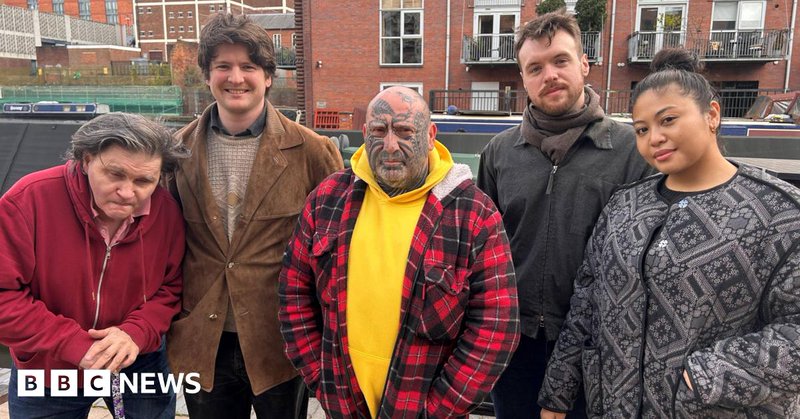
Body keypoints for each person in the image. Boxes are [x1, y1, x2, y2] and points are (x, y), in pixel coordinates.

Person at [539, 48, 800, 418]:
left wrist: (704, 377)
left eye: (668, 120)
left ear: (711, 115)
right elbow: (586, 304)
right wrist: (558, 392)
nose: (654, 138)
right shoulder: (624, 207)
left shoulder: (779, 213)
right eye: (642, 129)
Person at [279, 86, 520, 418]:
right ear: (365, 134)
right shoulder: (326, 200)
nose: (390, 145)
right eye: (379, 131)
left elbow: (496, 328)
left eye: (405, 131)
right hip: (342, 407)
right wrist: (322, 381)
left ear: (431, 135)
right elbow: (293, 295)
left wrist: (436, 410)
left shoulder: (474, 215)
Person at [166, 12, 343, 419]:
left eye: (248, 66)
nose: (236, 77)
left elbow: (336, 252)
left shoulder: (313, 152)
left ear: (268, 76)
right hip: (201, 342)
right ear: (207, 75)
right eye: (223, 66)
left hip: (280, 341)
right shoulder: (175, 151)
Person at [477, 10, 652, 418]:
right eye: (534, 67)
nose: (549, 75)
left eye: (560, 60)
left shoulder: (632, 151)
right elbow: (479, 252)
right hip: (513, 345)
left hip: (597, 346)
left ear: (584, 64)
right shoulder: (499, 154)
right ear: (523, 79)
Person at [0, 112, 188, 418]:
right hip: (50, 362)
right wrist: (73, 343)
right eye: (115, 174)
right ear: (86, 160)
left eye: (144, 181)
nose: (128, 193)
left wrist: (135, 332)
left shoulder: (166, 213)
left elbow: (171, 287)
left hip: (136, 356)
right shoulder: (27, 201)